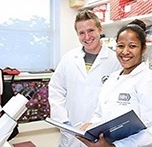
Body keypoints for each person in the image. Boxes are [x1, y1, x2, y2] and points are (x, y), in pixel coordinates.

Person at [77, 19, 152, 147]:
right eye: (120, 46)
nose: (125, 52)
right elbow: (100, 113)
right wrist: (91, 126)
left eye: (132, 46)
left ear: (143, 48)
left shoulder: (149, 80)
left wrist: (115, 146)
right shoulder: (113, 78)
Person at [48, 10, 121, 147]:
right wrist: (63, 121)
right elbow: (56, 90)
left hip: (101, 134)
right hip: (71, 131)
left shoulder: (114, 61)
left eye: (91, 30)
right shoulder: (69, 59)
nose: (87, 36)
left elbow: (117, 100)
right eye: (81, 33)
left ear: (100, 29)